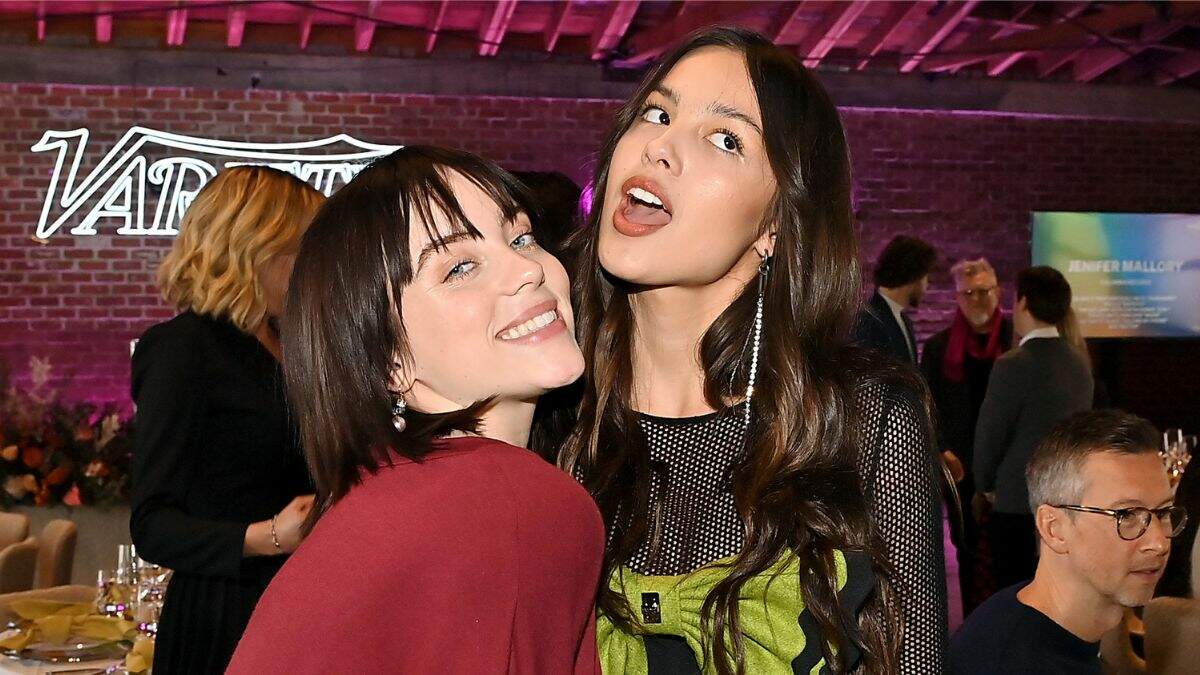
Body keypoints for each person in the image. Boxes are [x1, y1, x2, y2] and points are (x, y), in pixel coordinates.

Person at [560, 27, 945, 674]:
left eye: (725, 139)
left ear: (774, 225)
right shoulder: (550, 409)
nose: (660, 145)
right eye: (656, 113)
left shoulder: (863, 420)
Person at [227, 147, 604, 673]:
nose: (526, 270)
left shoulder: (394, 495)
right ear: (390, 360)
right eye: (460, 268)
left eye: (520, 238)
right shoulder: (514, 499)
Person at [129, 166, 323, 673]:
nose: (315, 265)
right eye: (302, 249)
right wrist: (269, 535)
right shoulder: (183, 350)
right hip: (226, 614)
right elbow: (153, 525)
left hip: (304, 598)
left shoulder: (295, 344)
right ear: (255, 249)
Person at [950, 409, 1187, 674]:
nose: (1159, 543)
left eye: (1163, 513)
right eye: (1127, 515)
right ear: (1054, 529)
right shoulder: (1018, 664)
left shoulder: (1022, 613)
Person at [974, 266, 1093, 591]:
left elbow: (991, 435)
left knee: (1014, 593)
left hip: (1016, 500)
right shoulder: (1079, 362)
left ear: (1023, 302)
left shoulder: (1014, 363)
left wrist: (984, 484)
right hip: (1064, 499)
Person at [920, 257, 1012, 614]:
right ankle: (976, 622)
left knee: (1010, 553)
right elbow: (927, 405)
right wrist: (942, 449)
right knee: (969, 552)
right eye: (968, 293)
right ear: (957, 298)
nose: (977, 299)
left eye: (984, 291)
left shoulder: (1015, 340)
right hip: (962, 468)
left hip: (1008, 467)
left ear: (998, 292)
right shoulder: (940, 347)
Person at [851, 235, 937, 365]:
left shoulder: (904, 320)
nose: (927, 285)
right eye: (926, 277)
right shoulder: (869, 320)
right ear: (915, 277)